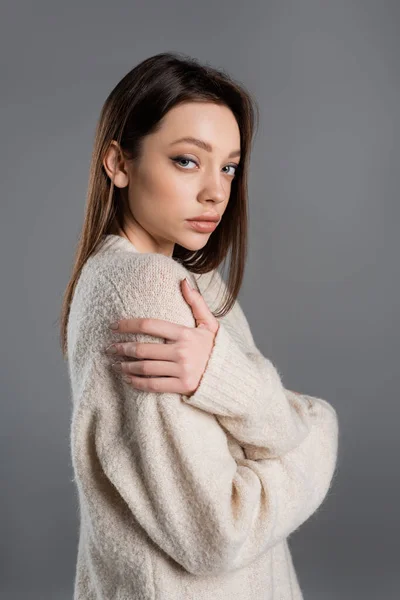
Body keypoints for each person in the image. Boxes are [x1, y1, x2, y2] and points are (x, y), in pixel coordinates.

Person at [60, 51, 339, 600]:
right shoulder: (142, 288)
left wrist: (226, 378)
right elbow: (218, 533)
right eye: (188, 160)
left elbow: (271, 431)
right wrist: (321, 431)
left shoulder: (195, 284)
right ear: (118, 162)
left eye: (229, 166)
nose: (216, 191)